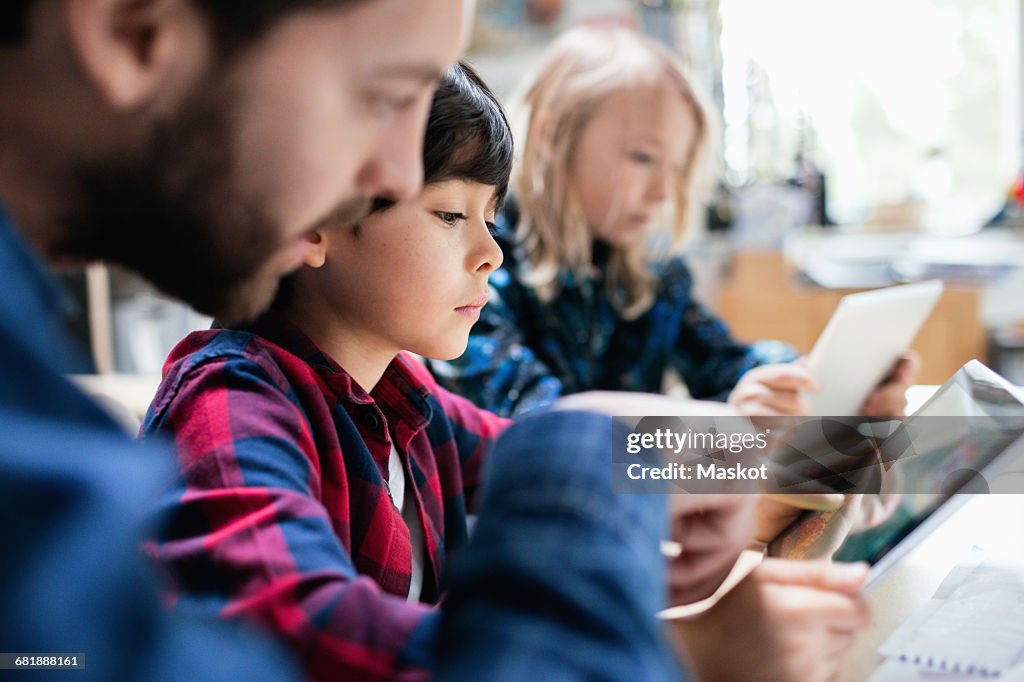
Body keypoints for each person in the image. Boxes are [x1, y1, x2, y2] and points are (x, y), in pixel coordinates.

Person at [143, 61, 871, 681]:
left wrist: (790, 454)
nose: (490, 251)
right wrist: (679, 651)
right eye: (450, 214)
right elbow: (295, 634)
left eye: (490, 216)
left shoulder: (404, 400)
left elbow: (565, 455)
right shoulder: (228, 402)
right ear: (311, 222)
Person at [0, 0, 469, 678]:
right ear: (132, 31)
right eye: (382, 98)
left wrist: (678, 464)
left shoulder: (399, 395)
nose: (397, 175)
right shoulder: (232, 394)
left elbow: (542, 442)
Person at [426, 26, 915, 421]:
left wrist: (811, 384)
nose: (664, 193)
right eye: (643, 158)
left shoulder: (652, 273)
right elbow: (536, 421)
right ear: (554, 137)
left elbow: (725, 363)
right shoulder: (480, 261)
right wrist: (714, 431)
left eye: (678, 170)